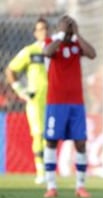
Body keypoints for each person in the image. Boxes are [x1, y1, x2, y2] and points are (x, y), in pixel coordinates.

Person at [42, 15, 96, 198]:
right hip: (55, 102)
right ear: (59, 28)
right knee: (51, 141)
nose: (69, 29)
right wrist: (61, 34)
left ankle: (80, 186)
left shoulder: (76, 45)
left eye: (71, 26)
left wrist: (77, 34)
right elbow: (47, 53)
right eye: (66, 26)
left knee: (80, 142)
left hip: (76, 103)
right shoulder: (52, 42)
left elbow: (92, 54)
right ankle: (51, 186)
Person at [5, 17, 49, 184]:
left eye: (45, 28)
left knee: (51, 136)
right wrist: (20, 90)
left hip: (54, 99)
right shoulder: (30, 51)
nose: (43, 32)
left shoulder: (54, 50)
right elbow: (11, 70)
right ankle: (41, 171)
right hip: (36, 100)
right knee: (38, 134)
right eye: (39, 29)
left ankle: (49, 170)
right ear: (35, 33)